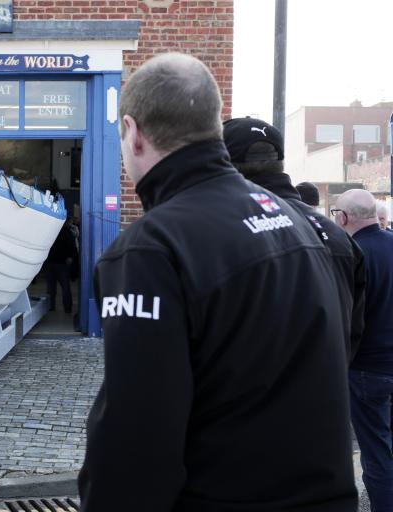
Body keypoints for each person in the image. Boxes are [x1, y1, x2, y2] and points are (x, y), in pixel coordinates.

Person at [78, 53, 356, 511]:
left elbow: (137, 437)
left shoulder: (151, 249)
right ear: (212, 125)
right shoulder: (294, 221)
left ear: (133, 132)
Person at [223, 117, 366, 361]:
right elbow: (353, 328)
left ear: (226, 163)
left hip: (257, 391)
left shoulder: (227, 231)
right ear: (280, 162)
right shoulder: (336, 236)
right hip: (328, 387)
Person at [334, 189, 393, 511]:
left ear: (343, 218)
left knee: (376, 449)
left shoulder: (352, 253)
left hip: (367, 367)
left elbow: (344, 313)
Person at [44, 217, 77, 313]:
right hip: (62, 263)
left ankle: (51, 306)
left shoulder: (50, 231)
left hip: (51, 262)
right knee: (65, 287)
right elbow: (72, 246)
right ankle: (67, 308)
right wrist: (70, 257)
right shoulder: (67, 232)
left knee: (51, 287)